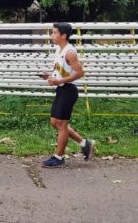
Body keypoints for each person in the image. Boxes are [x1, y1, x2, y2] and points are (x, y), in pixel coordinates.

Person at [38, 22, 94, 168]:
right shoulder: (59, 49)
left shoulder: (70, 51)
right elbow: (62, 70)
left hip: (69, 90)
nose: (52, 35)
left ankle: (58, 157)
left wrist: (60, 80)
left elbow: (80, 73)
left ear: (63, 35)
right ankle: (84, 143)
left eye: (54, 33)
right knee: (55, 122)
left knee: (62, 124)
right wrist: (50, 77)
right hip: (62, 89)